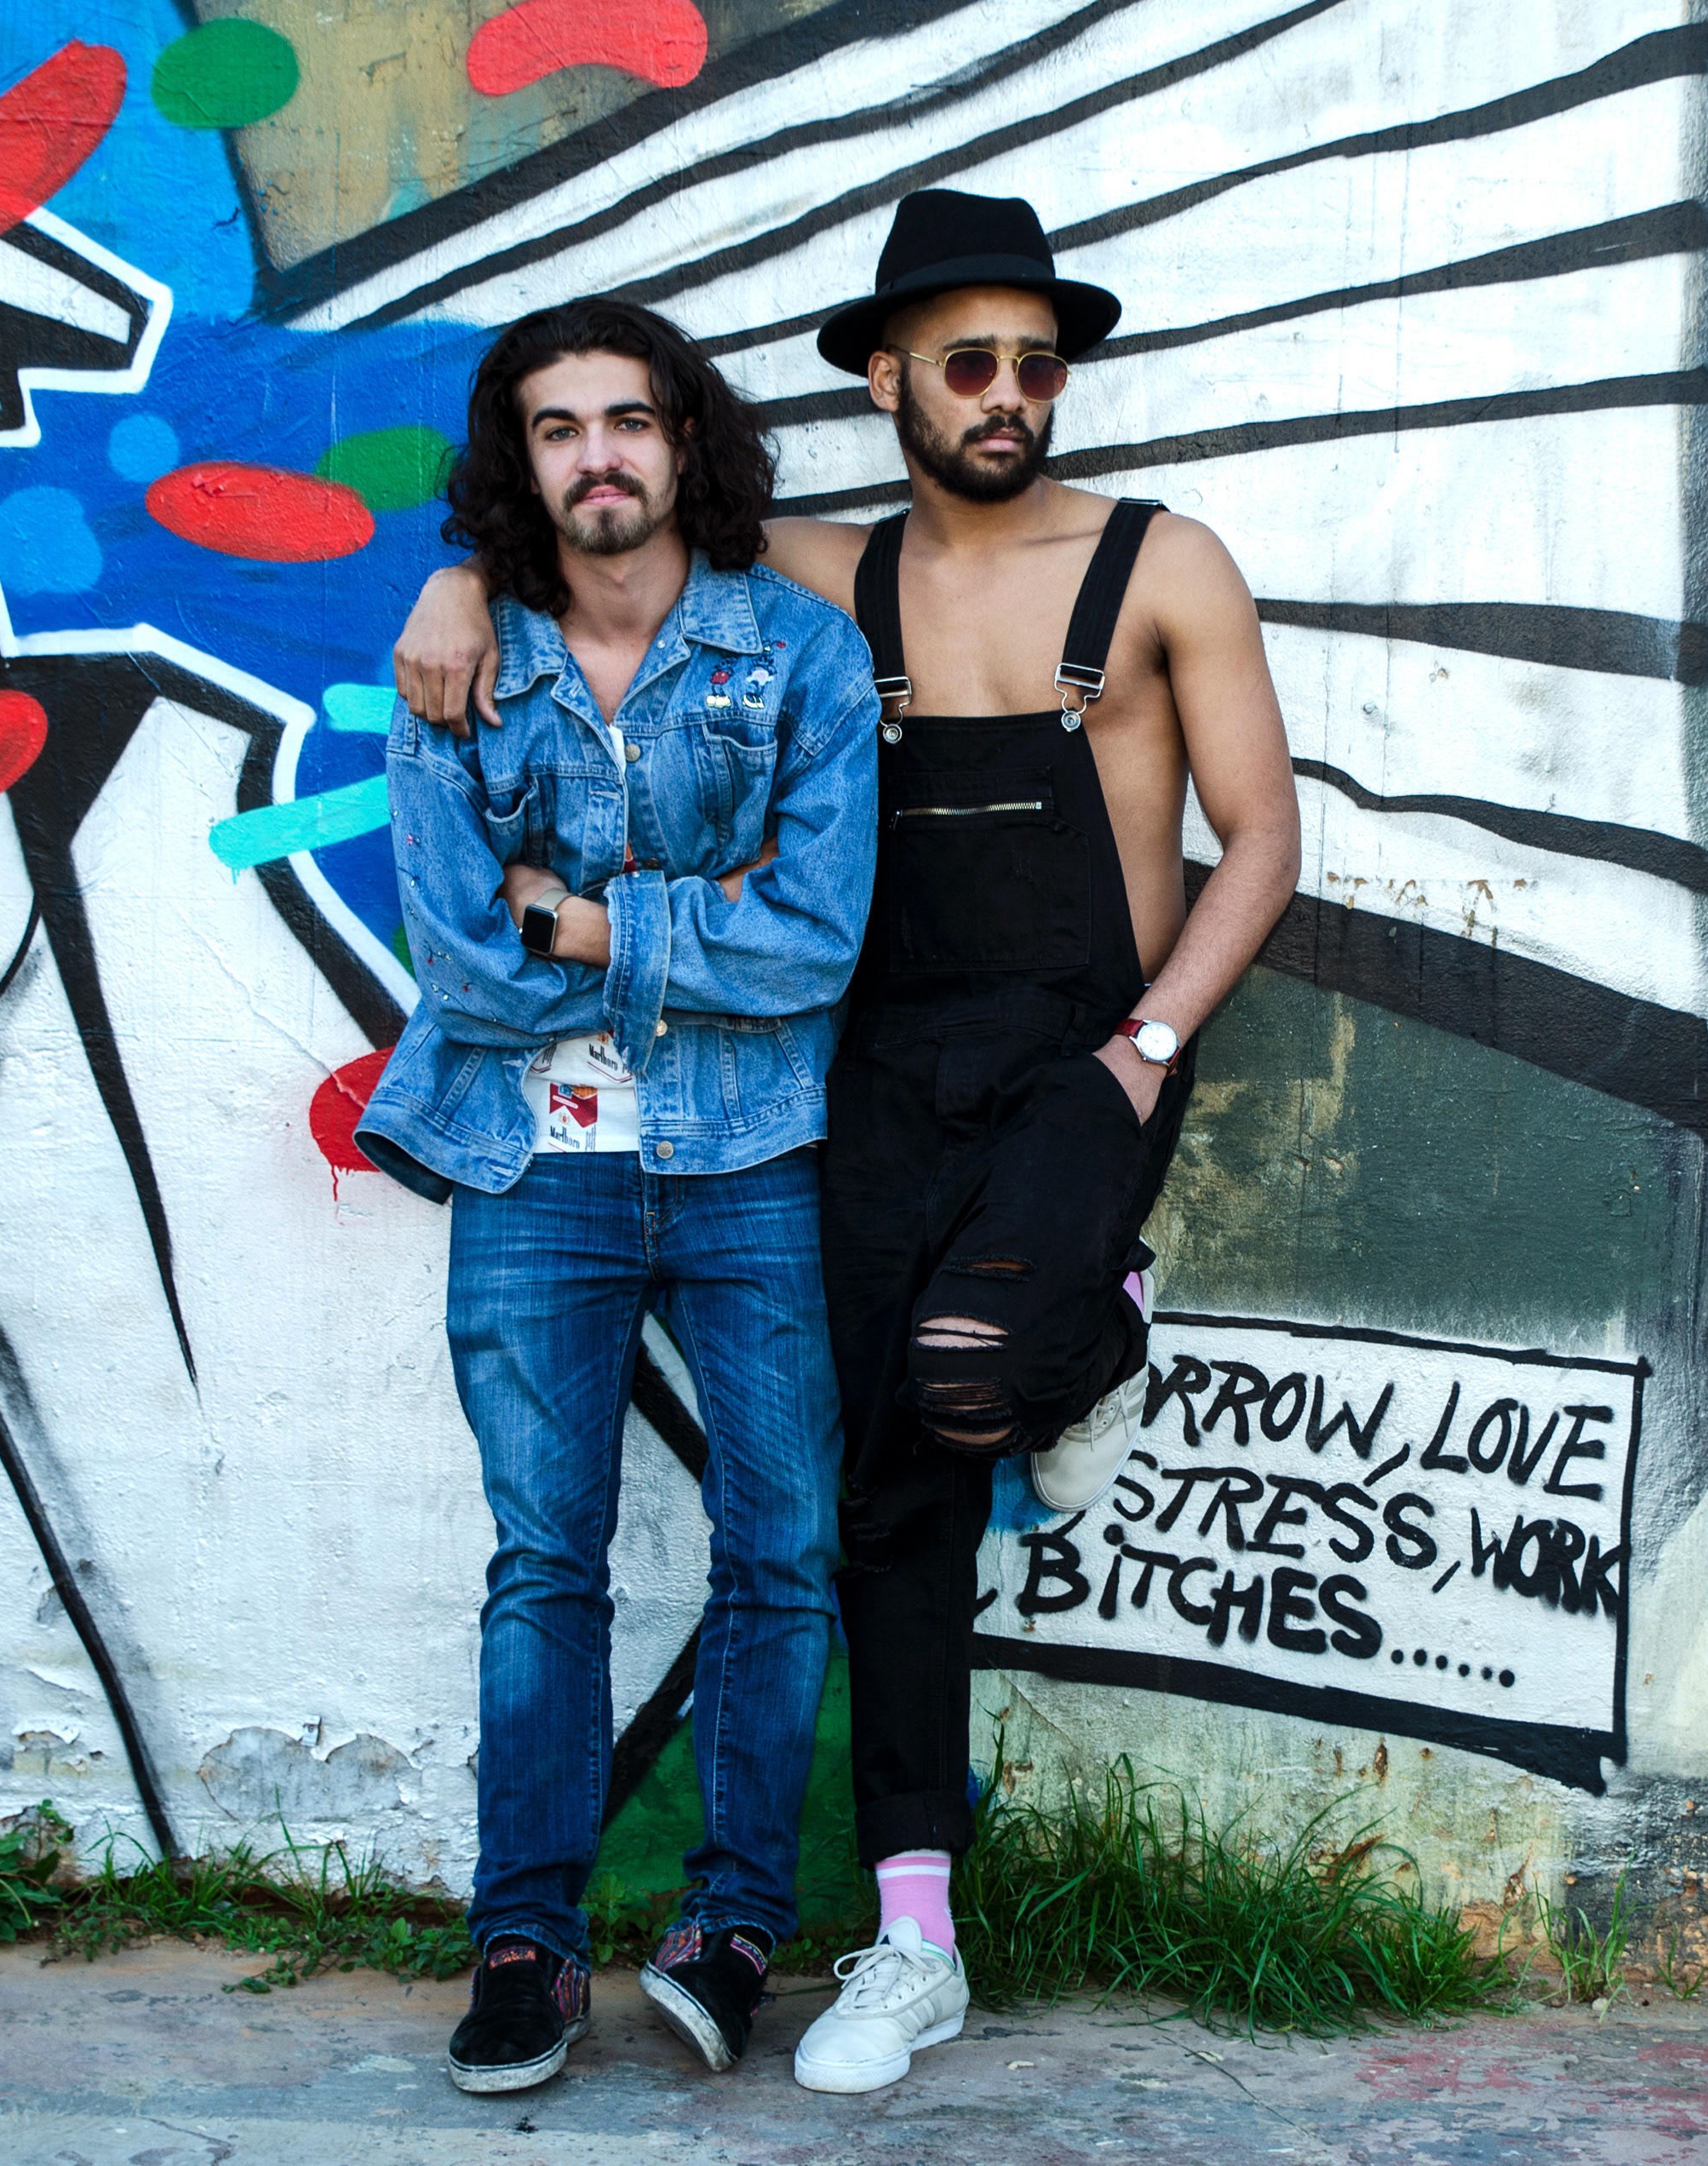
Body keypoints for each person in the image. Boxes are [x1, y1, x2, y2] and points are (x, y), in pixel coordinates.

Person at [391, 192, 1303, 2095]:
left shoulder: (1141, 567)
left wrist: (1147, 1046)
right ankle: (854, 1938)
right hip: (819, 1096)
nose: (1007, 393)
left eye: (1036, 363)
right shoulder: (810, 577)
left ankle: (1082, 1331)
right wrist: (460, 577)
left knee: (924, 1417)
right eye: (967, 362)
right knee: (828, 1512)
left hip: (1023, 1078)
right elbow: (600, 559)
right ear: (887, 381)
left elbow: (1252, 842)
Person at [353, 297, 880, 2092]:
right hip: (535, 1167)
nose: (600, 456)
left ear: (686, 441)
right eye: (559, 426)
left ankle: (733, 1921)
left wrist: (579, 917)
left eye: (630, 420)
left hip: (749, 1160)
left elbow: (815, 940)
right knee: (543, 1563)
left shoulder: (796, 657)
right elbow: (462, 967)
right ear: (521, 462)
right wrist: (691, 924)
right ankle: (526, 1942)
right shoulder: (459, 665)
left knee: (782, 1550)